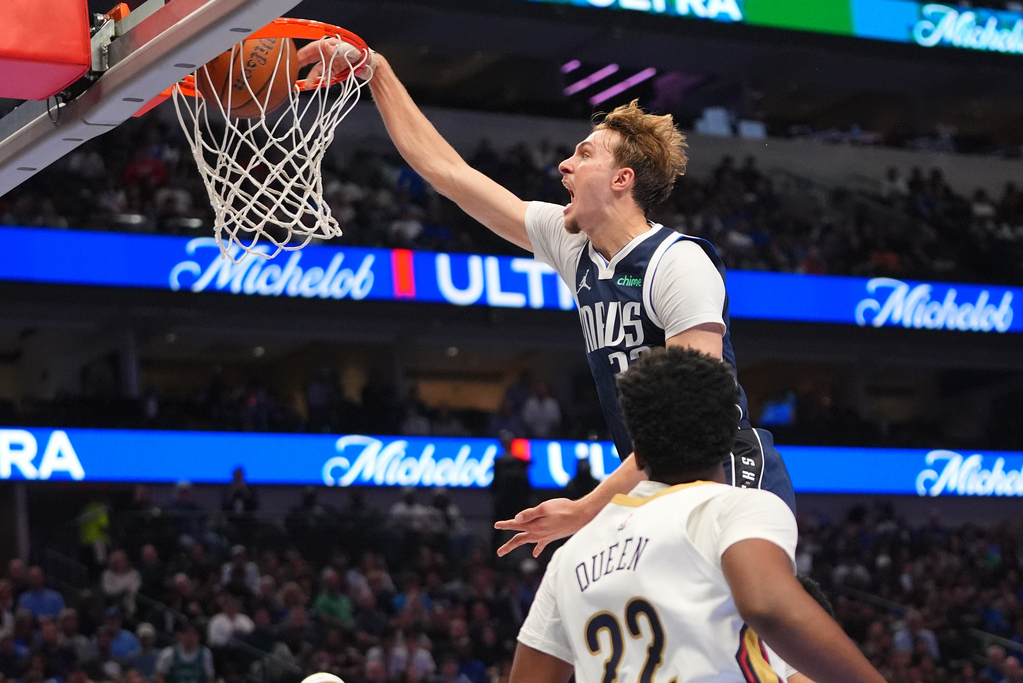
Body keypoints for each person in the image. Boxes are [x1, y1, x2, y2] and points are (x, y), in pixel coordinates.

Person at [317, 40, 795, 557]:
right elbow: (450, 175)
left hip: (725, 473)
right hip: (653, 481)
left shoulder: (677, 263)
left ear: (622, 179)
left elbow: (691, 419)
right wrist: (378, 73)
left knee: (745, 632)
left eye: (584, 154)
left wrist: (584, 510)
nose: (564, 166)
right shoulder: (573, 244)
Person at [508, 347, 882, 683]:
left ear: (634, 449)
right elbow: (766, 606)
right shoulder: (738, 507)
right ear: (726, 436)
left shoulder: (572, 556)